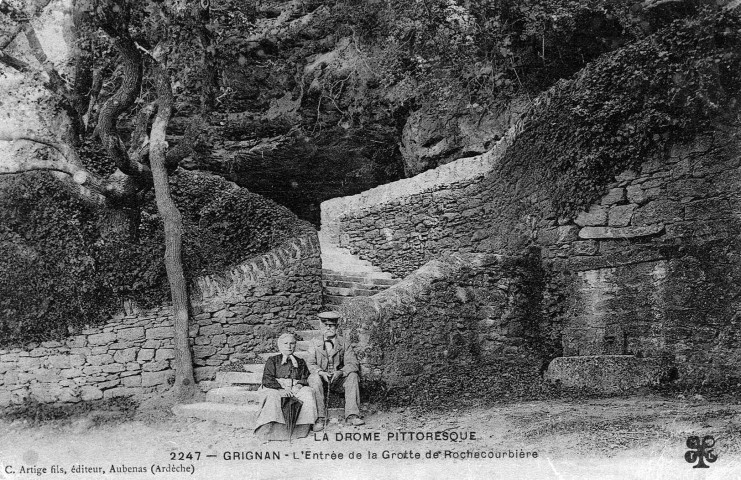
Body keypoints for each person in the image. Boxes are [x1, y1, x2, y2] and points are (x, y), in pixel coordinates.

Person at [254, 333, 318, 440]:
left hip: (295, 388)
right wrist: (280, 389)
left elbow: (305, 376)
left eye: (292, 343)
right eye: (286, 343)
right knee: (272, 396)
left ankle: (301, 429)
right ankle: (272, 429)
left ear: (295, 345)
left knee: (308, 393)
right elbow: (267, 378)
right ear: (280, 346)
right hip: (276, 387)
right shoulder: (272, 360)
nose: (289, 346)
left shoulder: (300, 362)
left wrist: (298, 385)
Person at [307, 311, 365, 429]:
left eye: (331, 325)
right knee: (313, 378)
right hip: (321, 380)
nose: (328, 328)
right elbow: (310, 363)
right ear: (320, 326)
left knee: (353, 375)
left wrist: (340, 372)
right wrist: (320, 372)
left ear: (337, 326)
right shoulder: (314, 343)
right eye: (325, 325)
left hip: (338, 379)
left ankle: (352, 415)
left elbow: (353, 363)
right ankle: (320, 418)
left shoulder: (344, 342)